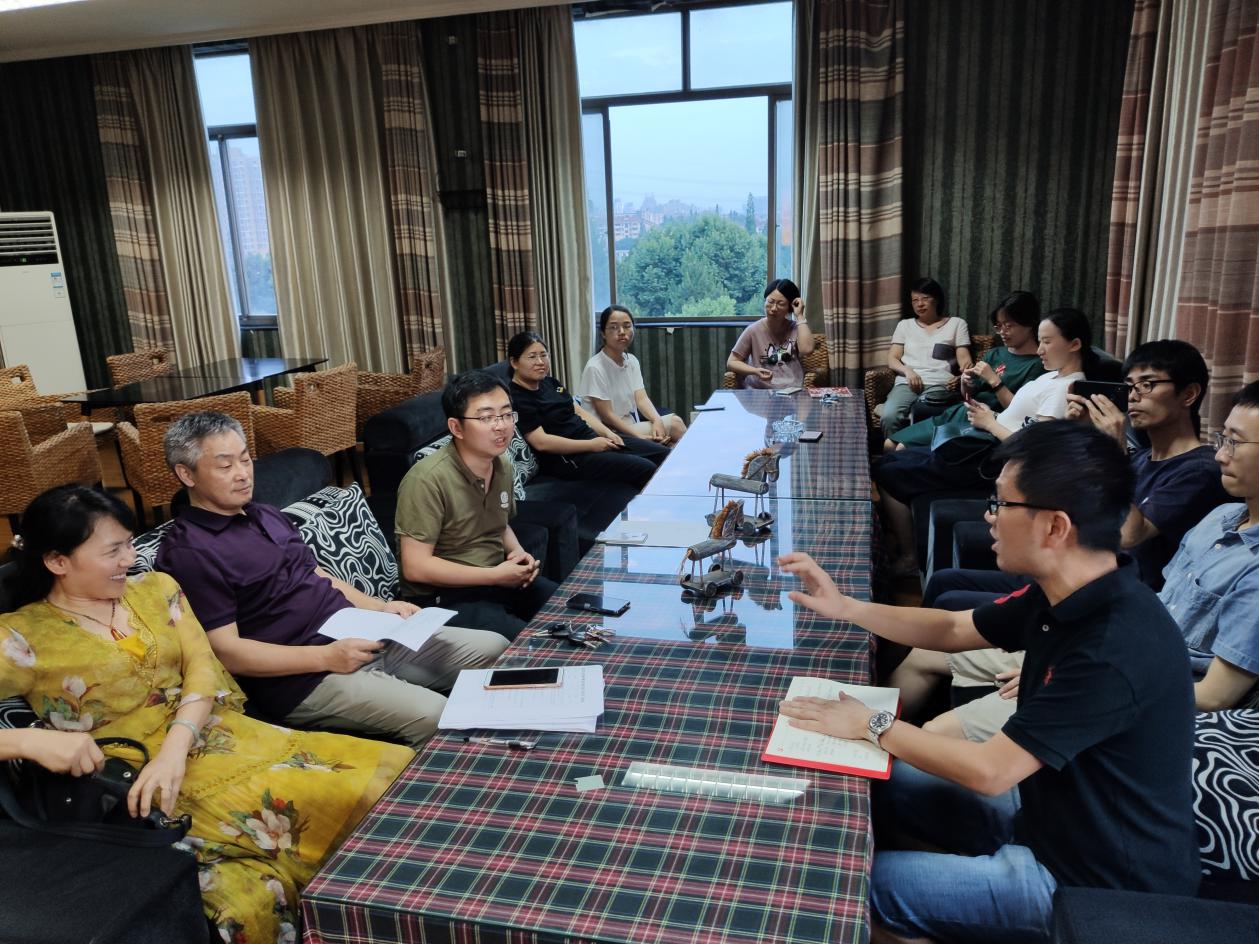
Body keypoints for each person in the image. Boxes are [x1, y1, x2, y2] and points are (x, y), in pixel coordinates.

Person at [780, 422, 1199, 943]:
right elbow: (955, 629)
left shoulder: (1113, 647)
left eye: (1001, 503)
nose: (989, 516)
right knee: (882, 783)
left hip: (1092, 882)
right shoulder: (1071, 588)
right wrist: (846, 607)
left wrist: (871, 723)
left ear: (1055, 526)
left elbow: (990, 771)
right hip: (1046, 816)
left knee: (847, 887)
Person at [0, 485, 414, 942]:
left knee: (398, 768)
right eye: (112, 551)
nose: (130, 559)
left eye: (130, 544)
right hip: (143, 778)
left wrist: (176, 748)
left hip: (218, 735)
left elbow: (202, 667)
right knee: (349, 799)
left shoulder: (157, 588)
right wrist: (26, 740)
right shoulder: (21, 638)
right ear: (57, 561)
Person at [894, 339, 1231, 740]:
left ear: (1189, 394)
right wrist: (1081, 433)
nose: (1134, 397)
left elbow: (1127, 534)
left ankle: (925, 731)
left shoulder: (1198, 470)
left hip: (1105, 604)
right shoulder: (1141, 458)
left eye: (1148, 385)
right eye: (1128, 386)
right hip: (1072, 579)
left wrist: (1113, 451)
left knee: (951, 602)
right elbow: (1071, 502)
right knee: (945, 587)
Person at [155, 411, 507, 749]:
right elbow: (227, 652)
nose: (243, 474)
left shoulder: (264, 513)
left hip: (363, 635)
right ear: (187, 474)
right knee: (436, 715)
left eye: (245, 460)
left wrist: (382, 608)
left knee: (495, 648)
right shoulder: (189, 551)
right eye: (225, 466)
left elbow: (315, 573)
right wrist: (325, 657)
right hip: (306, 678)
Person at [873, 306, 1095, 575]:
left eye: (1047, 342)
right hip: (982, 441)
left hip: (989, 460)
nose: (1039, 350)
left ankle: (909, 557)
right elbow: (1021, 421)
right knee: (890, 459)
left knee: (887, 471)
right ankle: (894, 541)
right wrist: (991, 415)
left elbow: (1035, 449)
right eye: (1040, 341)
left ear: (1074, 344)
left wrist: (990, 423)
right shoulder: (1051, 376)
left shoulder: (1065, 390)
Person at [395, 370, 559, 640]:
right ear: (456, 428)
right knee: (528, 646)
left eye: (506, 414)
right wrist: (494, 576)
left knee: (569, 610)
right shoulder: (426, 479)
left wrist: (518, 553)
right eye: (486, 418)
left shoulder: (502, 464)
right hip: (445, 597)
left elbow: (500, 524)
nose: (501, 426)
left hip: (495, 579)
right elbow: (416, 567)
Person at [887, 290, 1045, 452]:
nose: (1002, 332)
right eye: (999, 326)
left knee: (901, 449)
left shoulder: (1038, 365)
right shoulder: (995, 353)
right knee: (889, 445)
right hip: (961, 412)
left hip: (985, 423)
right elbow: (968, 394)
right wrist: (965, 382)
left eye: (1009, 326)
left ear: (1029, 323)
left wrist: (994, 381)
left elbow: (1020, 411)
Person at [508, 331, 668, 488]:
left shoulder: (550, 383)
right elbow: (541, 442)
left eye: (543, 355)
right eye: (532, 357)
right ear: (514, 362)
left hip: (593, 439)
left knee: (664, 454)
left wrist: (608, 433)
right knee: (647, 469)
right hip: (570, 458)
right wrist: (591, 445)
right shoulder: (517, 397)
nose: (540, 362)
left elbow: (578, 411)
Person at [877, 277, 973, 437]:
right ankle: (894, 450)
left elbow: (964, 359)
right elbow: (892, 359)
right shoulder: (905, 325)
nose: (919, 304)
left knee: (924, 415)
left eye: (925, 298)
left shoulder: (956, 324)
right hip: (906, 383)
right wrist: (908, 371)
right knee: (889, 416)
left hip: (939, 384)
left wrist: (966, 371)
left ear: (937, 299)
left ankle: (915, 450)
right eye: (915, 300)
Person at [579, 304, 686, 445]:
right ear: (603, 333)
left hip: (630, 425)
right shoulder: (595, 367)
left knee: (671, 435)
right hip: (608, 433)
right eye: (614, 327)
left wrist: (657, 420)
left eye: (627, 326)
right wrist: (638, 437)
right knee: (675, 425)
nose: (621, 332)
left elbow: (641, 399)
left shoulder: (631, 361)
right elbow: (607, 416)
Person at [726, 278, 817, 390]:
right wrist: (755, 371)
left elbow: (807, 349)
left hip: (792, 390)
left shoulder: (795, 328)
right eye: (770, 301)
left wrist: (799, 315)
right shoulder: (753, 330)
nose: (773, 308)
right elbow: (732, 362)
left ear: (790, 307)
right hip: (758, 390)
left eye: (781, 304)